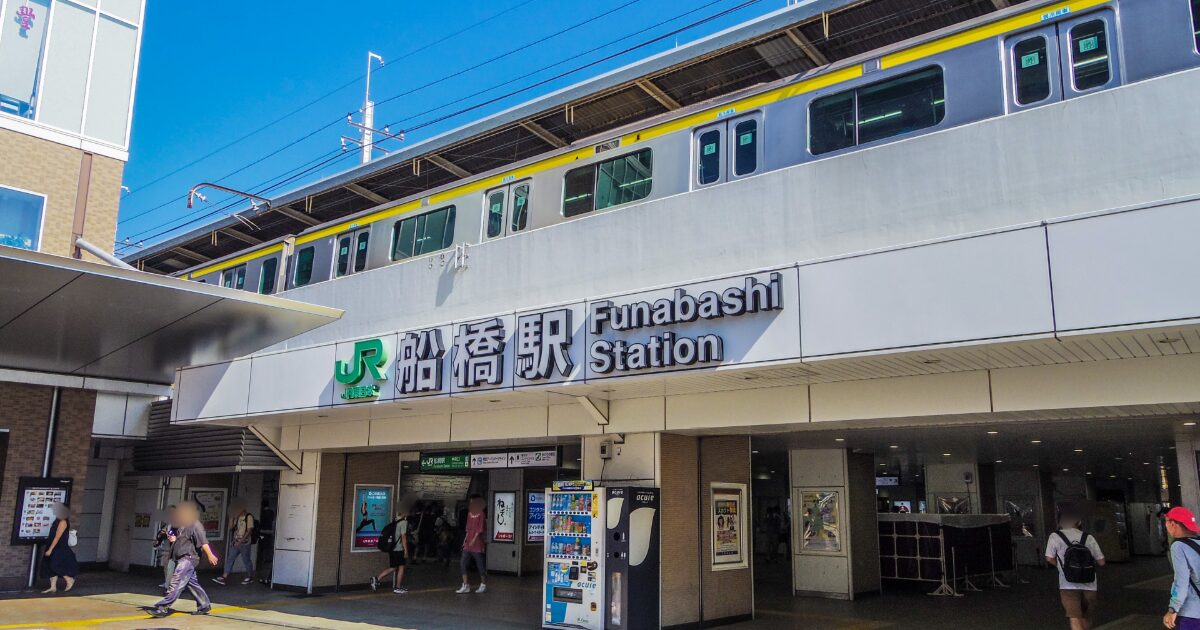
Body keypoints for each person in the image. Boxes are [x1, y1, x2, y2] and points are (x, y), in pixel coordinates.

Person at [147, 501, 219, 618]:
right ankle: (204, 604)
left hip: (189, 558)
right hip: (179, 557)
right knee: (191, 583)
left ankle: (163, 607)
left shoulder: (195, 525)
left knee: (176, 581)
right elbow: (174, 536)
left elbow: (203, 542)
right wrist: (172, 538)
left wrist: (210, 555)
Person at [1045, 508, 1105, 630]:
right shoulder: (1088, 537)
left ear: (1060, 522)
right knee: (1086, 616)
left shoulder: (1055, 536)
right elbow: (1102, 562)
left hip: (1067, 583)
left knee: (1074, 617)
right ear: (1078, 521)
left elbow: (1049, 558)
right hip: (1090, 583)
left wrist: (1060, 567)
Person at [1163, 506, 1200, 629]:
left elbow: (1181, 581)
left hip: (1192, 612)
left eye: (1166, 522)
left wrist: (1173, 609)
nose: (1166, 526)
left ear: (1173, 524)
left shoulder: (1178, 546)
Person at [213, 499, 255, 585]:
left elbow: (249, 531)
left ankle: (250, 576)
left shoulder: (248, 517)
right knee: (230, 558)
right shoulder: (237, 517)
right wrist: (231, 518)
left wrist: (240, 541)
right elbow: (231, 527)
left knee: (246, 560)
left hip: (244, 543)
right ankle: (224, 577)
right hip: (235, 541)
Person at [370, 507, 411, 594]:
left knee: (393, 567)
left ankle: (377, 579)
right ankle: (398, 587)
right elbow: (403, 536)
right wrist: (406, 551)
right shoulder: (404, 522)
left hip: (391, 548)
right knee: (401, 567)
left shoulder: (395, 520)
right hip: (399, 549)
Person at [41, 503, 77, 594]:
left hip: (59, 547)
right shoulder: (56, 520)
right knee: (49, 565)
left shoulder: (63, 522)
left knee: (54, 565)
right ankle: (53, 587)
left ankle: (69, 579)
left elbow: (57, 537)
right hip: (53, 545)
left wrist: (50, 549)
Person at [456, 494, 488, 594]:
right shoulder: (470, 513)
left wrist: (474, 540)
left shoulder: (481, 514)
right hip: (468, 543)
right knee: (463, 562)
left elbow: (480, 529)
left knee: (479, 564)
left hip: (477, 543)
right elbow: (468, 528)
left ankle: (483, 584)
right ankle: (465, 585)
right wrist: (465, 540)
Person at [154, 506, 177, 592]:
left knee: (172, 567)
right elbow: (161, 533)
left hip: (174, 548)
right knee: (166, 565)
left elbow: (178, 534)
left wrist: (167, 534)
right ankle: (167, 582)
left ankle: (172, 584)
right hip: (167, 547)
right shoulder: (167, 522)